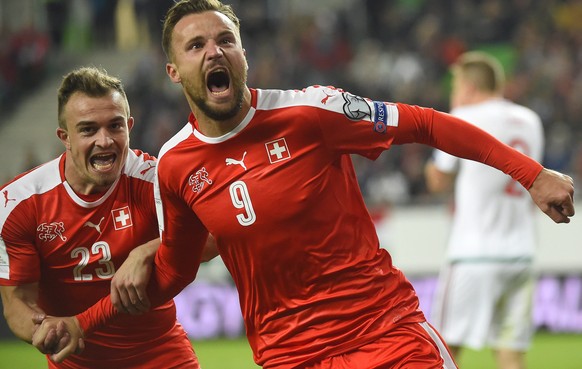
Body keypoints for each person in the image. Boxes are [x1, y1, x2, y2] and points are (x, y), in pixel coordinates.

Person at [35, 1, 575, 368]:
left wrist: (532, 173)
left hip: (384, 335)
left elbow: (426, 123)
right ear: (175, 71)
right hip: (290, 356)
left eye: (226, 39)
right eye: (196, 45)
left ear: (244, 54)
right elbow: (175, 269)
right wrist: (86, 320)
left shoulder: (311, 111)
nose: (214, 51)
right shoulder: (176, 166)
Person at [0, 66, 210, 368]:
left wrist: (147, 250)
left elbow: (212, 234)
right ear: (65, 137)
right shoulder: (20, 203)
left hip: (161, 354)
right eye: (88, 129)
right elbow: (17, 301)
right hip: (76, 361)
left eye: (115, 126)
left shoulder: (154, 180)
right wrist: (43, 328)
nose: (105, 140)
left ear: (130, 126)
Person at [424, 51, 544, 369]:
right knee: (510, 354)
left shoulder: (465, 117)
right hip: (521, 254)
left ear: (468, 86)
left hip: (473, 254)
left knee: (444, 350)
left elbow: (439, 180)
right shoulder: (530, 120)